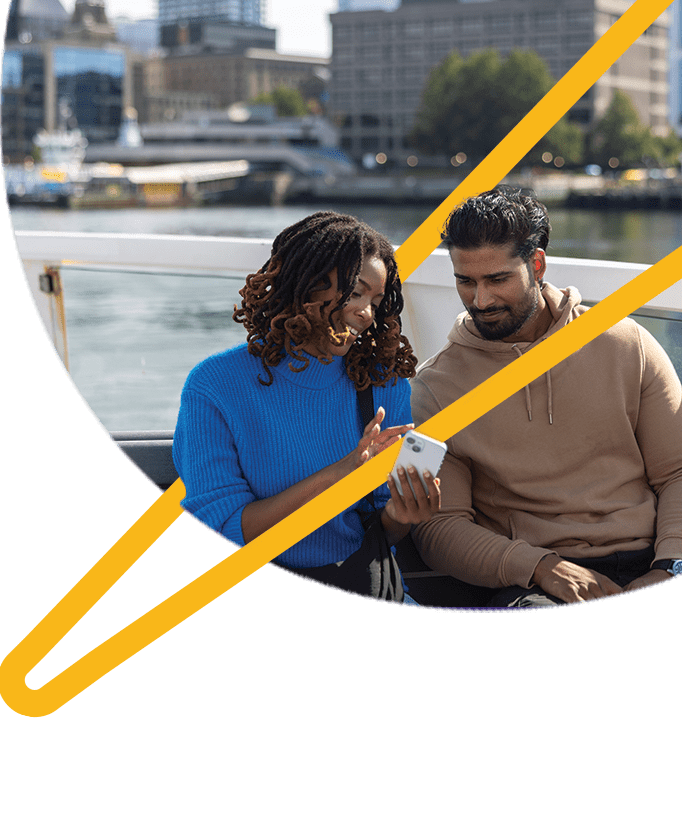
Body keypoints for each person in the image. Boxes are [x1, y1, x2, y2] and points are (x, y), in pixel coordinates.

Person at [410, 187, 682, 607]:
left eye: (497, 279)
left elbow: (677, 473)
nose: (481, 301)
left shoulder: (627, 344)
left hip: (653, 558)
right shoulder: (436, 386)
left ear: (536, 265)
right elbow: (438, 527)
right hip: (531, 581)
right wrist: (539, 567)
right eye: (465, 281)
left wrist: (669, 567)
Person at [173, 211, 441, 604]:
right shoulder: (214, 387)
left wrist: (403, 513)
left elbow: (381, 528)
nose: (366, 313)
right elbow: (224, 528)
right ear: (305, 284)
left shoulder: (381, 382)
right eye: (355, 293)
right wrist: (339, 475)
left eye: (375, 300)